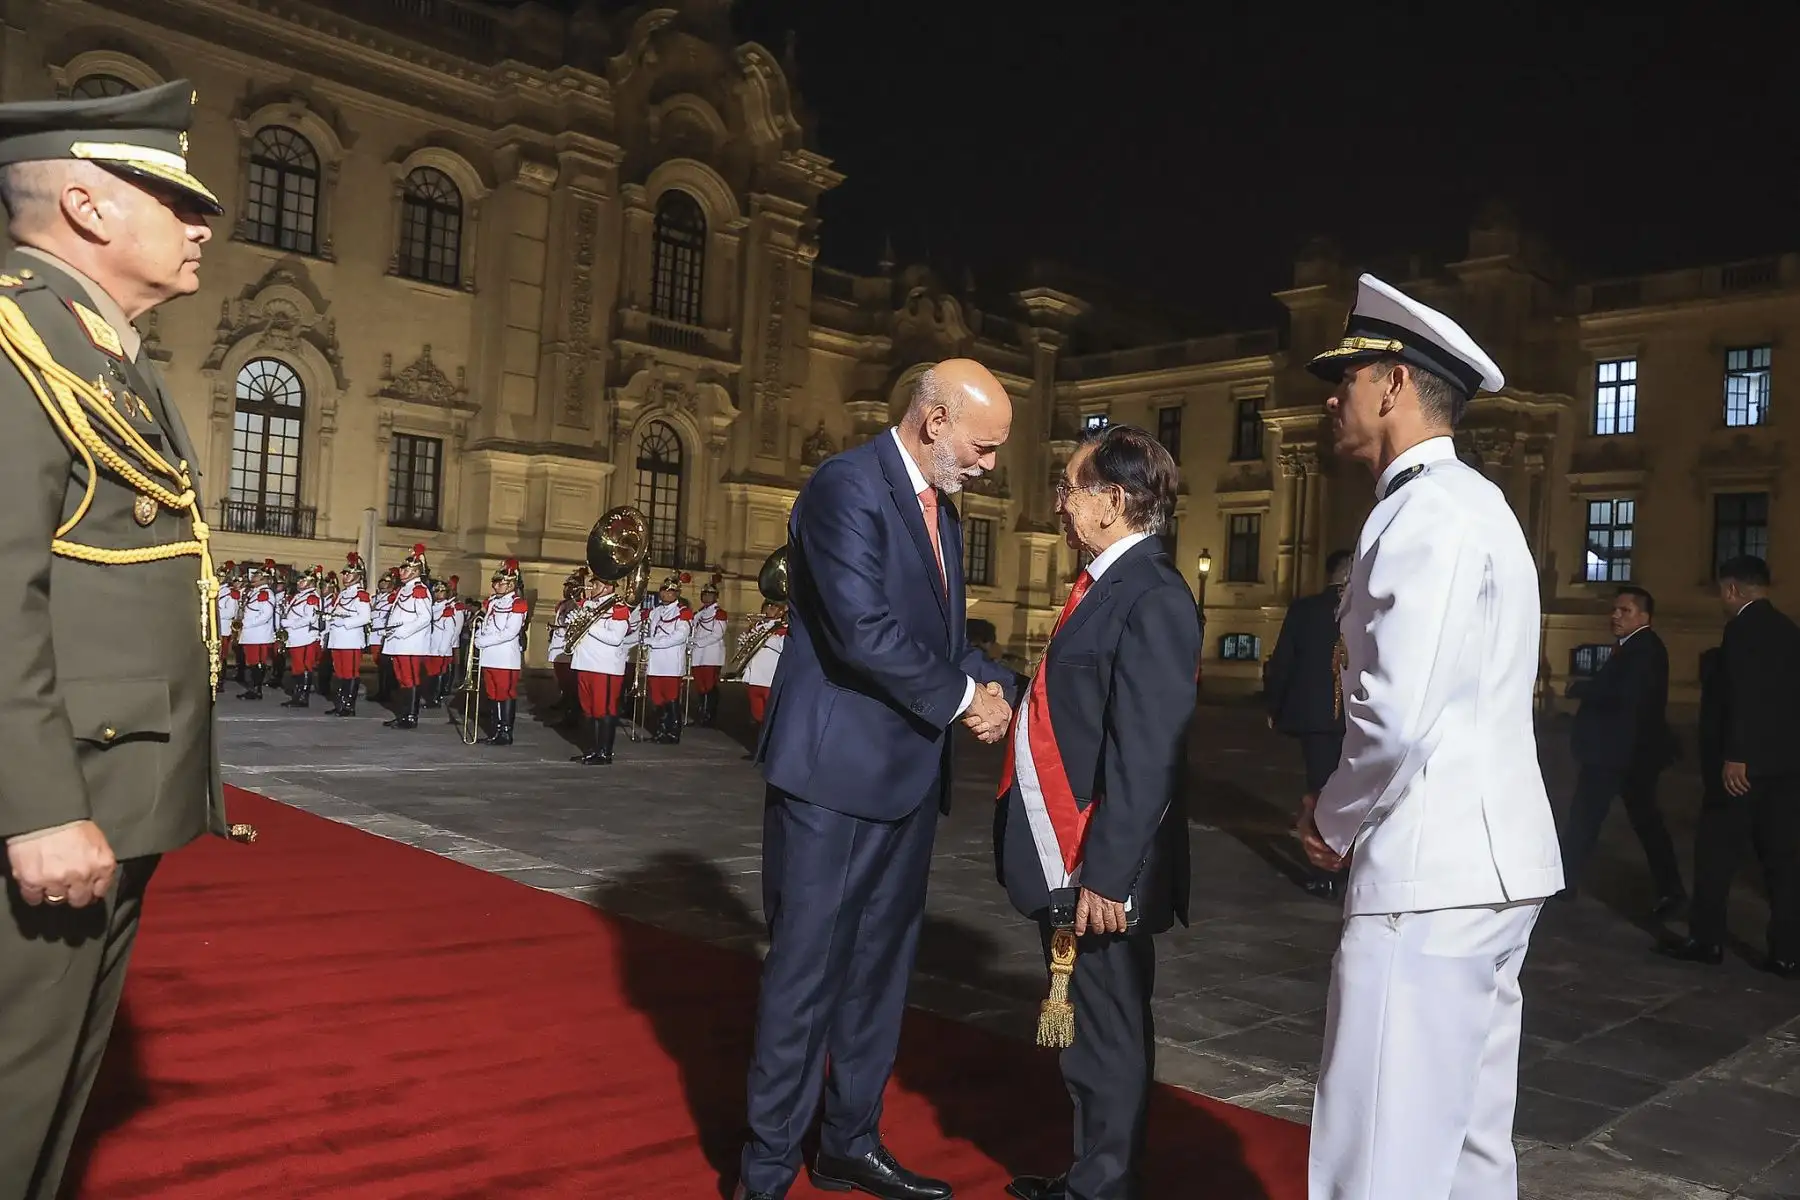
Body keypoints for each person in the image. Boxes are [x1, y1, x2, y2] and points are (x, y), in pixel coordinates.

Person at [0, 80, 237, 1200]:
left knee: (50, 1095)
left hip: (105, 787)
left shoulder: (94, 345)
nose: (203, 223)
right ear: (88, 207)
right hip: (51, 803)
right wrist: (40, 804)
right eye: (175, 198)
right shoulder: (16, 338)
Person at [1296, 274, 1563, 1200]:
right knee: (1467, 1152)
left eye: (1351, 376)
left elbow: (1397, 714)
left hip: (1430, 870)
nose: (1334, 397)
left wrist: (1331, 820)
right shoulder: (1483, 507)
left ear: (1396, 384)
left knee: (1377, 1154)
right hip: (1488, 867)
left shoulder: (1424, 512)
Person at [739, 358, 1018, 1200]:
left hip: (905, 781)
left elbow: (934, 637)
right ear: (934, 422)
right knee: (804, 979)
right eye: (983, 446)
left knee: (878, 976)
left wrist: (998, 686)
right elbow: (863, 632)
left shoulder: (943, 510)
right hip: (831, 782)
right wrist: (967, 696)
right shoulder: (845, 487)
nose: (990, 465)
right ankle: (762, 1175)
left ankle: (848, 1142)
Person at [995, 426, 1199, 1200]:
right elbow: (1075, 710)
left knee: (1109, 1034)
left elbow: (1146, 752)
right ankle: (1090, 1175)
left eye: (1071, 487)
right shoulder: (1105, 586)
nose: (1059, 502)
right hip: (1079, 859)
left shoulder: (1153, 594)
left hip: (1106, 871)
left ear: (1114, 500)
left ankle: (1104, 1188)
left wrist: (1108, 877)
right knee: (1086, 1031)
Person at [1663, 555, 1800, 974]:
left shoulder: (1741, 630)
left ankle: (1707, 940)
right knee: (1783, 861)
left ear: (1733, 590)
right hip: (1785, 767)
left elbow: (1744, 696)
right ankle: (1787, 952)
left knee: (1715, 855)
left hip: (1742, 771)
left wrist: (1737, 755)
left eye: (1723, 590)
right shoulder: (1790, 631)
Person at [1559, 586, 1683, 915]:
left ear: (1644, 616)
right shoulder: (1632, 647)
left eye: (1624, 611)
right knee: (1627, 821)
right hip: (1621, 754)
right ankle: (1671, 890)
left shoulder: (1644, 649)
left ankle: (1564, 881)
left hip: (1618, 755)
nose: (1615, 616)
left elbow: (1623, 696)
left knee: (1589, 818)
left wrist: (1580, 688)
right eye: (1615, 610)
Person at [1265, 547, 1353, 899]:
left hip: (1316, 719)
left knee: (1320, 790)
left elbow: (1282, 663)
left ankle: (1323, 872)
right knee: (1355, 794)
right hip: (1356, 719)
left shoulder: (1304, 610)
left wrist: (1276, 705)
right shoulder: (1364, 611)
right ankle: (1349, 866)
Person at [568, 569, 633, 765]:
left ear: (607, 587)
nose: (591, 587)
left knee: (603, 709)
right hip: (584, 663)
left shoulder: (618, 608)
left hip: (604, 666)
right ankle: (590, 750)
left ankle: (604, 752)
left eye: (595, 584)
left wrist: (588, 625)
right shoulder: (588, 604)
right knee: (587, 709)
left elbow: (615, 638)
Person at [473, 559, 530, 745]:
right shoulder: (492, 602)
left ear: (511, 584)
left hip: (505, 657)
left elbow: (510, 632)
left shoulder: (518, 603)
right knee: (492, 693)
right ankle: (495, 730)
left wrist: (484, 641)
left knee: (504, 693)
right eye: (494, 582)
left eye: (500, 582)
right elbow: (488, 623)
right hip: (489, 656)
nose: (495, 585)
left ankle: (505, 732)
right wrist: (479, 634)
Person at [690, 579, 729, 725]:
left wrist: (698, 642)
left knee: (709, 685)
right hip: (698, 654)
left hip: (711, 653)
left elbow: (717, 634)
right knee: (700, 684)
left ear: (715, 597)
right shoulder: (700, 613)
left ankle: (709, 715)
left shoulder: (719, 613)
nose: (706, 597)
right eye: (704, 594)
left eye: (710, 595)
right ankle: (702, 711)